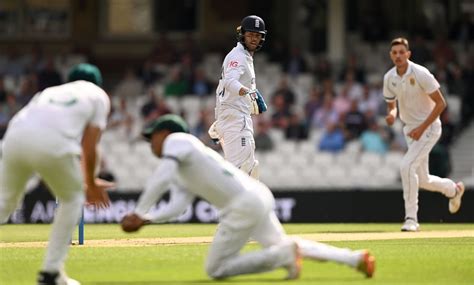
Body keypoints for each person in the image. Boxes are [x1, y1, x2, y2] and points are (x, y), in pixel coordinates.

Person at [121, 114, 375, 281]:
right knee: (282, 243)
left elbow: (161, 176)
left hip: (241, 206)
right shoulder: (181, 168)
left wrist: (140, 211)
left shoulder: (179, 140)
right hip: (256, 195)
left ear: (165, 133)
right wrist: (148, 219)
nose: (150, 144)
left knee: (216, 269)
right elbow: (177, 206)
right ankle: (353, 258)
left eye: (152, 137)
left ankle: (284, 255)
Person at [0, 63, 114, 285]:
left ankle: (54, 274)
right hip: (52, 143)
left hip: (13, 137)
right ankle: (51, 273)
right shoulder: (98, 95)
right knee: (73, 199)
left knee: (4, 203)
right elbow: (89, 146)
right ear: (98, 83)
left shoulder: (50, 93)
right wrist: (90, 183)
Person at [383, 37, 465, 232]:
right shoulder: (389, 77)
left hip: (429, 127)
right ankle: (454, 190)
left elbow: (441, 103)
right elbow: (391, 104)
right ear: (391, 55)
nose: (398, 56)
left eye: (402, 52)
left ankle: (411, 219)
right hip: (411, 130)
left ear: (408, 54)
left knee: (406, 166)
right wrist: (391, 115)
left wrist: (422, 128)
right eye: (394, 53)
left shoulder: (421, 73)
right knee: (424, 179)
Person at [208, 15, 268, 179]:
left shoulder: (244, 56)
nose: (254, 39)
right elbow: (230, 81)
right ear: (242, 34)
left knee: (249, 170)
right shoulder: (238, 56)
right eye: (250, 34)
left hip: (235, 118)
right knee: (239, 174)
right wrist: (246, 92)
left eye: (257, 35)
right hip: (235, 120)